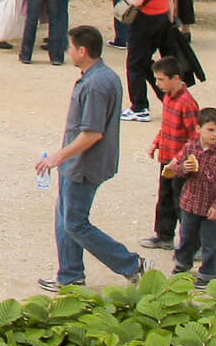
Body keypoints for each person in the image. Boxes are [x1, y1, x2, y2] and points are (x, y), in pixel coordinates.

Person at [36, 25, 149, 292]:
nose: (69, 52)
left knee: (74, 222)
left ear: (82, 51)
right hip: (79, 163)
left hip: (83, 165)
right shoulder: (103, 76)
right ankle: (70, 274)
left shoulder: (96, 84)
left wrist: (56, 158)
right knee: (66, 218)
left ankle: (132, 265)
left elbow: (92, 133)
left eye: (72, 47)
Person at [163, 109, 216, 287]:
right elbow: (176, 171)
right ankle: (181, 266)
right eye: (211, 130)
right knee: (186, 237)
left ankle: (208, 274)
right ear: (198, 129)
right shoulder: (189, 148)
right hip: (190, 203)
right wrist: (184, 168)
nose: (215, 134)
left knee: (211, 241)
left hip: (210, 208)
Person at [120, 0, 178, 120]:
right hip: (162, 17)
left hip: (145, 19)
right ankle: (166, 97)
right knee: (147, 62)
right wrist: (170, 19)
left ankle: (139, 106)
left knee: (135, 62)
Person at [142, 57, 199, 252]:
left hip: (180, 164)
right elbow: (166, 125)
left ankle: (193, 243)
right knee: (165, 198)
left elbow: (195, 137)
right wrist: (156, 143)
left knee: (182, 203)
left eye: (161, 80)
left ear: (176, 78)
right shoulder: (168, 97)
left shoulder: (187, 103)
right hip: (166, 159)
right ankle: (164, 236)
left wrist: (179, 158)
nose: (157, 84)